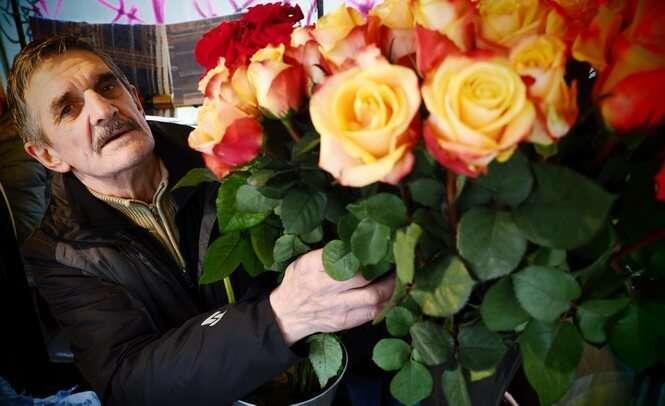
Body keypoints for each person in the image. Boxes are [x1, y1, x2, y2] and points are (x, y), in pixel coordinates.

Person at [9, 35, 395, 406]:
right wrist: (279, 316)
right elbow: (128, 382)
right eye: (68, 109)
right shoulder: (57, 252)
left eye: (108, 86)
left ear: (135, 97)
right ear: (47, 155)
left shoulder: (225, 152)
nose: (104, 109)